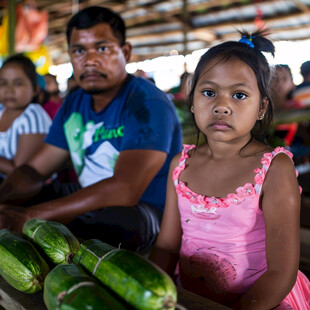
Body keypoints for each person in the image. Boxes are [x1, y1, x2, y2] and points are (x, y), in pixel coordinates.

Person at [0, 6, 182, 253]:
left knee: (92, 227)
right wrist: (4, 198)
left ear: (125, 52)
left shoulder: (147, 103)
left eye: (103, 48)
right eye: (79, 50)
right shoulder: (74, 104)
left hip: (146, 210)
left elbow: (125, 189)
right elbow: (34, 169)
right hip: (90, 195)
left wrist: (32, 215)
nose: (90, 60)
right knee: (26, 198)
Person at [149, 30, 310, 309]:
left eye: (239, 95)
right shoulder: (181, 164)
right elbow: (166, 247)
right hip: (189, 299)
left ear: (261, 108)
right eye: (209, 92)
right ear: (192, 101)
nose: (222, 106)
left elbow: (281, 273)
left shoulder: (274, 168)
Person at [0, 54, 51, 182]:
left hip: (31, 193)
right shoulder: (1, 112)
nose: (9, 90)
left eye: (18, 84)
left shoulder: (33, 116)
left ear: (35, 89)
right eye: (3, 83)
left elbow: (21, 174)